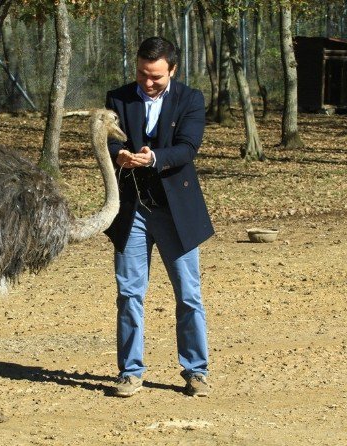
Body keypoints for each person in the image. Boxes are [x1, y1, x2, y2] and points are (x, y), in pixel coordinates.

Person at [104, 36, 214, 397]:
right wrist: (119, 153)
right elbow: (110, 140)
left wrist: (153, 158)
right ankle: (130, 372)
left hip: (175, 212)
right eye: (141, 74)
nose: (146, 83)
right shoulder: (119, 97)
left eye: (155, 77)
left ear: (173, 70)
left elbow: (188, 147)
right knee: (129, 293)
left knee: (188, 294)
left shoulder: (191, 99)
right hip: (131, 209)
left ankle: (196, 371)